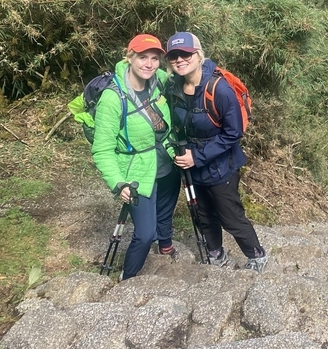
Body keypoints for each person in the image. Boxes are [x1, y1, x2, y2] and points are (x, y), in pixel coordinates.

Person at [165, 31, 268, 272]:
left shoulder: (219, 90)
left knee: (230, 216)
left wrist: (197, 157)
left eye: (186, 54)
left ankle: (257, 256)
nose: (180, 59)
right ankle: (215, 255)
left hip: (221, 167)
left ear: (199, 55)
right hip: (191, 165)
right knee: (202, 213)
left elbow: (233, 133)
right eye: (174, 56)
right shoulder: (174, 87)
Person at [91, 34, 180, 280]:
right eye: (143, 57)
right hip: (137, 172)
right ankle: (128, 277)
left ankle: (166, 246)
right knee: (144, 233)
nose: (149, 64)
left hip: (167, 163)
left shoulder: (159, 81)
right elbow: (103, 149)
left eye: (154, 58)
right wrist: (117, 182)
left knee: (165, 212)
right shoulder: (113, 98)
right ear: (129, 57)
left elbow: (185, 73)